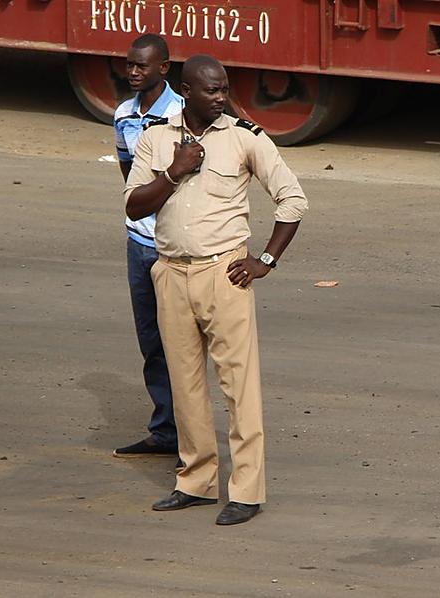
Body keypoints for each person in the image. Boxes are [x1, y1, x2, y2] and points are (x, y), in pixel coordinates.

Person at [124, 55, 308, 525]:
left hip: (224, 273)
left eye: (224, 89)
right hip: (170, 273)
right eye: (211, 90)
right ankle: (196, 481)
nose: (221, 97)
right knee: (184, 384)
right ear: (187, 91)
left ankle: (246, 491)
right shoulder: (155, 137)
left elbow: (293, 198)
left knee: (238, 387)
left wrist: (265, 259)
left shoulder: (246, 137)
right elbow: (133, 205)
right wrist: (174, 171)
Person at [111, 34, 184, 460]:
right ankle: (165, 430)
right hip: (139, 242)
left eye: (143, 66)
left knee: (183, 342)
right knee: (151, 340)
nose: (134, 72)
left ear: (164, 68)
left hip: (174, 243)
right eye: (130, 65)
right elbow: (127, 171)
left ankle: (191, 436)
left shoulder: (180, 114)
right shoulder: (123, 114)